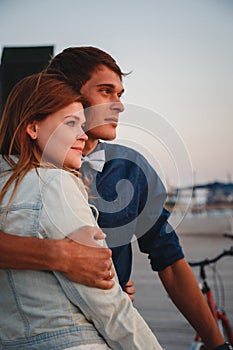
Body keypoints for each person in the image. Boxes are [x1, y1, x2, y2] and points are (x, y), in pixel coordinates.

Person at [0, 47, 230, 350]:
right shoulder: (15, 173)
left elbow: (170, 260)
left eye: (120, 93)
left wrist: (217, 344)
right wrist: (61, 256)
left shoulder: (131, 169)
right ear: (69, 92)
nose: (119, 105)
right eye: (106, 91)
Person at [0, 72, 163, 350]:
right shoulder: (55, 183)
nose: (82, 135)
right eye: (71, 123)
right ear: (33, 128)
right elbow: (109, 309)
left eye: (83, 124)